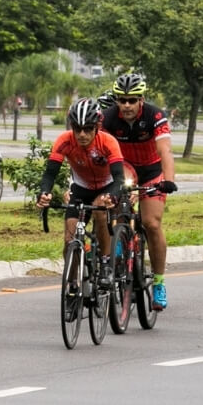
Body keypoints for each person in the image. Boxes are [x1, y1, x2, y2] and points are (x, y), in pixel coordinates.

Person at [101, 73, 178, 311]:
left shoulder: (155, 115)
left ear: (141, 100)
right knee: (114, 216)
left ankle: (158, 282)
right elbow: (101, 149)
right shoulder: (108, 118)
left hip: (151, 172)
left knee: (151, 223)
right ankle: (119, 258)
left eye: (132, 100)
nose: (126, 105)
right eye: (122, 100)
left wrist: (168, 180)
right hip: (122, 170)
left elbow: (165, 151)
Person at [37, 99, 126, 298]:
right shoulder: (64, 141)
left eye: (87, 129)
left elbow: (120, 178)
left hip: (107, 186)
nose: (82, 135)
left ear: (97, 127)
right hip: (81, 188)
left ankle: (105, 263)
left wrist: (113, 195)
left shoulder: (108, 142)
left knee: (100, 213)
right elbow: (50, 174)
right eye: (77, 129)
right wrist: (44, 193)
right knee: (70, 240)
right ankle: (73, 283)